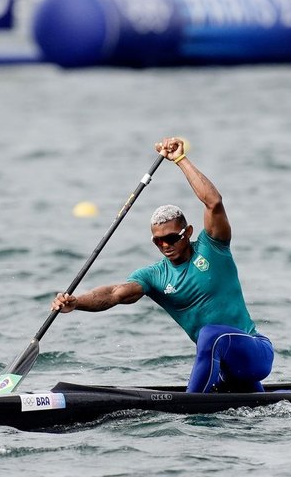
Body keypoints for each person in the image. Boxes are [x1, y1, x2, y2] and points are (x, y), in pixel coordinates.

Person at [51, 136, 274, 393]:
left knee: (210, 335)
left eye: (171, 238)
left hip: (255, 353)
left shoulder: (213, 247)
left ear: (188, 232)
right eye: (158, 241)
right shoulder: (156, 276)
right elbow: (115, 294)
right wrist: (76, 302)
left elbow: (213, 202)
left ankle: (190, 405)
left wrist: (180, 159)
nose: (165, 245)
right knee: (251, 397)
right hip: (225, 367)